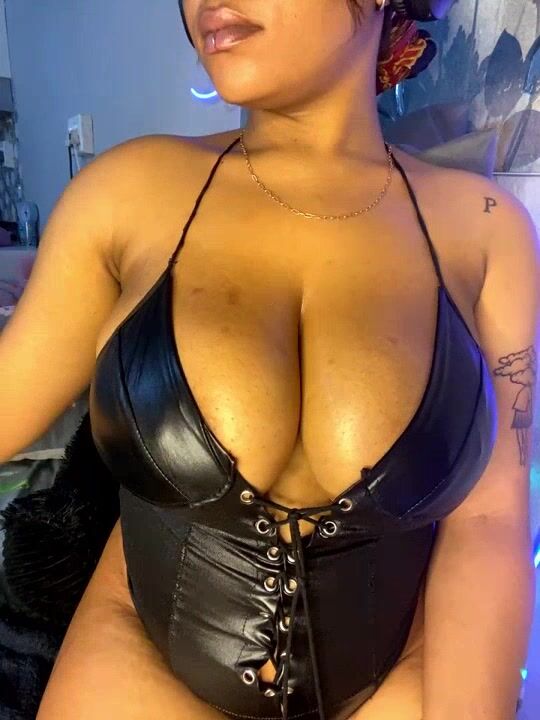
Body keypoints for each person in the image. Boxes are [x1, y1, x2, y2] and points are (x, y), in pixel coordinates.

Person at [0, 1, 537, 718]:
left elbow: (490, 522)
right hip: (135, 667)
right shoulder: (127, 194)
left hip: (396, 683)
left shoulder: (487, 231)